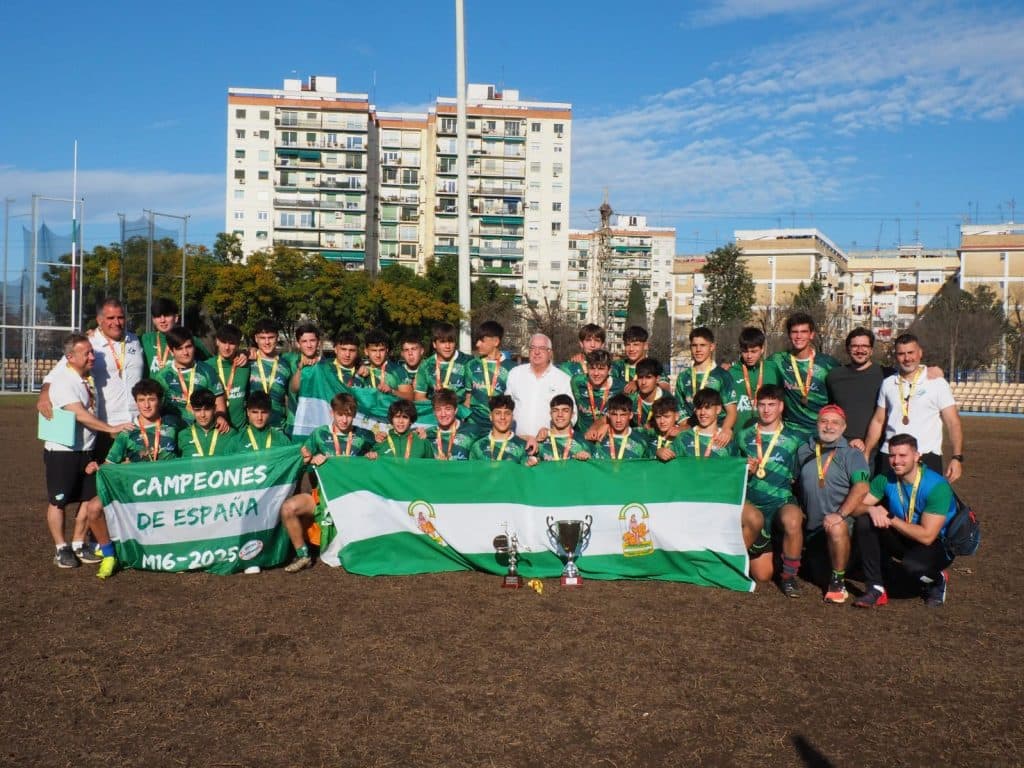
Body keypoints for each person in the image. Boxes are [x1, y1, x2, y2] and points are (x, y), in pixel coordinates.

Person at [41, 334, 131, 571]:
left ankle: (79, 543)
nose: (92, 357)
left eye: (92, 351)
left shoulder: (86, 378)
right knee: (58, 501)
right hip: (63, 451)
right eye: (87, 353)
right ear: (70, 357)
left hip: (86, 450)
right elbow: (79, 413)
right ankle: (61, 549)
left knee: (88, 498)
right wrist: (110, 429)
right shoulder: (63, 380)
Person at [853, 433, 958, 608]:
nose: (896, 461)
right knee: (865, 520)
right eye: (892, 455)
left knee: (913, 568)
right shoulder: (885, 479)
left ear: (917, 456)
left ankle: (937, 579)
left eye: (903, 455)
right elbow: (856, 507)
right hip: (905, 535)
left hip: (938, 544)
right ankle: (875, 588)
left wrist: (890, 517)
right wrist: (871, 508)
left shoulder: (936, 486)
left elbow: (927, 536)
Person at [37, 298, 145, 461]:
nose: (116, 322)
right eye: (110, 318)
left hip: (136, 425)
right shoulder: (89, 344)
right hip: (106, 429)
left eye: (120, 317)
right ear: (99, 320)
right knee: (103, 481)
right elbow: (55, 374)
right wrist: (44, 396)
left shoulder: (135, 341)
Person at [280, 393, 376, 573]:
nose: (344, 420)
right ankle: (303, 555)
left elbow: (380, 454)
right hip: (322, 496)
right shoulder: (319, 434)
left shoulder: (364, 436)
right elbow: (302, 458)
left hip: (351, 499)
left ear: (354, 415)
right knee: (288, 508)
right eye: (340, 414)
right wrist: (310, 459)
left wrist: (372, 455)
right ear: (332, 413)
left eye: (348, 415)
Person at [794, 404, 871, 604]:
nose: (829, 426)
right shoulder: (804, 450)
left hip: (842, 526)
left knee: (836, 529)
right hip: (814, 529)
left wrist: (840, 514)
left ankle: (838, 582)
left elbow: (862, 487)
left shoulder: (852, 454)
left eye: (835, 422)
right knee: (817, 576)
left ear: (844, 427)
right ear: (817, 424)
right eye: (824, 421)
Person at [864, 333, 963, 481]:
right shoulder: (888, 383)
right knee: (885, 503)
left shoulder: (937, 383)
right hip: (890, 456)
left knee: (925, 503)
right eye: (901, 354)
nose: (907, 358)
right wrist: (866, 452)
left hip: (925, 456)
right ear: (896, 356)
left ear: (920, 353)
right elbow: (878, 421)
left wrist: (957, 457)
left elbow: (952, 422)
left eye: (911, 352)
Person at [737, 384, 805, 595]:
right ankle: (777, 551)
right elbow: (733, 472)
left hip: (781, 501)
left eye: (772, 405)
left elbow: (824, 440)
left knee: (793, 519)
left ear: (781, 407)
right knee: (763, 576)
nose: (766, 410)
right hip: (754, 504)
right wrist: (746, 471)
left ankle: (789, 577)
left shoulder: (795, 437)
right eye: (762, 405)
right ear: (756, 406)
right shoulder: (743, 436)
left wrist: (855, 443)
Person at [769, 312, 838, 441]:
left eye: (803, 332)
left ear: (811, 335)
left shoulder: (828, 364)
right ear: (789, 335)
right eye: (794, 332)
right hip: (790, 432)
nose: (798, 336)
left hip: (820, 431)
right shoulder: (778, 360)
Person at [151, 327, 228, 430]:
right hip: (174, 431)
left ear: (194, 347)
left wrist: (220, 417)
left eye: (188, 347)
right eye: (179, 348)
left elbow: (219, 399)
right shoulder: (162, 376)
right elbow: (155, 407)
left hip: (203, 429)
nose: (185, 352)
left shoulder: (207, 370)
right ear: (171, 351)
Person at [675, 327, 738, 448]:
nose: (698, 350)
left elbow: (731, 411)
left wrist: (725, 430)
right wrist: (686, 426)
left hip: (717, 436)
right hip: (692, 437)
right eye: (694, 345)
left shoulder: (722, 375)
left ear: (712, 347)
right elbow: (679, 407)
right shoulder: (683, 377)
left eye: (703, 345)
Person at [505, 333, 574, 441]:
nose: (536, 352)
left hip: (549, 445)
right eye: (533, 348)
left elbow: (572, 414)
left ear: (550, 353)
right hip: (518, 442)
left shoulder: (563, 379)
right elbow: (506, 408)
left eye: (542, 348)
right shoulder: (515, 374)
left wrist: (551, 431)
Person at [105, 380, 180, 463]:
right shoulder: (127, 432)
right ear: (136, 402)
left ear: (160, 401)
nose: (146, 405)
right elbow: (109, 465)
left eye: (151, 400)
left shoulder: (173, 424)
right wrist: (96, 467)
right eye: (141, 400)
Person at [728, 326, 781, 432]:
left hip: (768, 434)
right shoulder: (731, 372)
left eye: (754, 351)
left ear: (762, 349)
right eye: (745, 351)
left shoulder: (773, 369)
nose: (749, 356)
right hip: (739, 433)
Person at [663, 389, 740, 460]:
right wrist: (660, 453)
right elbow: (668, 463)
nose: (702, 413)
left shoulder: (726, 439)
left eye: (707, 408)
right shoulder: (683, 437)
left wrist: (750, 468)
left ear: (718, 409)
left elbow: (737, 469)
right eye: (699, 408)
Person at [140, 297, 210, 375]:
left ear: (176, 318)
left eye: (167, 315)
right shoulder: (145, 339)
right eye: (158, 316)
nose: (162, 320)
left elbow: (209, 363)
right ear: (153, 320)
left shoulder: (189, 340)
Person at [464, 320, 514, 427]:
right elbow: (468, 397)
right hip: (474, 425)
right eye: (477, 340)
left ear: (496, 342)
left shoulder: (512, 368)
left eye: (482, 340)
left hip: (499, 425)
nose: (477, 344)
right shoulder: (471, 365)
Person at [249, 318, 294, 428]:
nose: (267, 342)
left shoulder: (285, 365)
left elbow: (291, 397)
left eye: (271, 337)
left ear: (277, 337)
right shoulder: (248, 361)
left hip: (278, 427)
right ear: (256, 338)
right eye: (262, 338)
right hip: (253, 428)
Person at [570, 349, 620, 440]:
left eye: (601, 369)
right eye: (592, 368)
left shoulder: (620, 387)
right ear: (587, 368)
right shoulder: (577, 382)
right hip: (582, 440)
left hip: (608, 442)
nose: (596, 373)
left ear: (609, 370)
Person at [469, 395, 535, 464]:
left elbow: (527, 472)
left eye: (507, 413)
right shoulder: (477, 446)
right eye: (498, 413)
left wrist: (531, 463)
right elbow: (473, 473)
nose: (503, 417)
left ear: (512, 417)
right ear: (491, 416)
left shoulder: (523, 446)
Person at [415, 322, 471, 402]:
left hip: (462, 411)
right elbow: (419, 397)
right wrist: (440, 407)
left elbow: (473, 396)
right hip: (436, 411)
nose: (447, 346)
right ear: (434, 344)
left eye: (451, 341)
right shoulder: (426, 366)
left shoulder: (468, 362)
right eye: (443, 342)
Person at [177, 389, 239, 458]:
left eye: (207, 409)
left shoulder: (230, 433)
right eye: (198, 410)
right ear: (192, 410)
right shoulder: (183, 435)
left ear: (214, 408)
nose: (202, 415)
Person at [211, 323, 251, 430]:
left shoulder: (245, 365)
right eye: (224, 342)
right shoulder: (206, 366)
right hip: (216, 430)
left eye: (232, 343)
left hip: (241, 430)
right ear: (217, 341)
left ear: (238, 344)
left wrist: (248, 353)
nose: (227, 347)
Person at [424, 389, 481, 461]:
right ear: (434, 412)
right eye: (438, 410)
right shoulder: (427, 434)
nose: (443, 414)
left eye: (448, 409)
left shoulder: (473, 431)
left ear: (455, 410)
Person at [591, 394, 651, 460]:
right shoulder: (598, 436)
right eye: (614, 415)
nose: (618, 420)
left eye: (623, 415)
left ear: (630, 415)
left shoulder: (642, 437)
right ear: (608, 415)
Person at [368, 399, 432, 459]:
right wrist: (369, 456)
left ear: (410, 420)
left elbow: (432, 467)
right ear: (391, 419)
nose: (400, 421)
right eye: (397, 417)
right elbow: (370, 466)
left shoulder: (422, 442)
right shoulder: (381, 442)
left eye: (405, 417)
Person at [536, 394, 591, 462]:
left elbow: (596, 465)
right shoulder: (541, 440)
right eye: (555, 410)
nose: (560, 414)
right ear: (550, 414)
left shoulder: (582, 441)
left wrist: (588, 458)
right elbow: (527, 462)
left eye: (565, 411)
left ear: (572, 414)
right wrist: (532, 460)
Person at [615, 326, 669, 394]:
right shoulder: (616, 366)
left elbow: (666, 387)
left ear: (646, 346)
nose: (631, 349)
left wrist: (638, 383)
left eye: (636, 344)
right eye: (627, 345)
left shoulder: (653, 365)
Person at [631, 358, 671, 430]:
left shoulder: (667, 398)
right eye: (640, 377)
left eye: (648, 377)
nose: (643, 382)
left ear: (657, 379)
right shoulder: (631, 398)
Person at [358, 329, 397, 393]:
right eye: (374, 350)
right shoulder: (360, 371)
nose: (378, 355)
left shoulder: (397, 370)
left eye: (381, 350)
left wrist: (392, 391)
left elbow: (410, 397)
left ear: (387, 350)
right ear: (366, 351)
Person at [392, 333, 425, 400]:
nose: (410, 353)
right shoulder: (396, 372)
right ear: (402, 354)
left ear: (421, 351)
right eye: (406, 350)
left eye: (414, 349)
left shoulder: (431, 370)